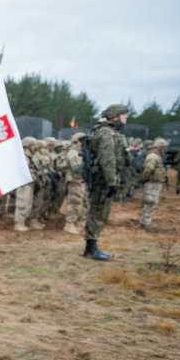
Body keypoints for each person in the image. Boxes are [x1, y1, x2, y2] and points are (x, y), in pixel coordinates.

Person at [85, 104, 128, 260]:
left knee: (100, 212)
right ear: (115, 116)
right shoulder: (106, 134)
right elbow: (107, 160)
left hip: (104, 180)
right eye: (124, 114)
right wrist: (111, 182)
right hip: (103, 181)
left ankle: (92, 247)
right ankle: (91, 249)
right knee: (98, 213)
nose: (126, 117)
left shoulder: (109, 132)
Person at [140, 138, 170, 228]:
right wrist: (145, 179)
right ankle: (145, 222)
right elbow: (148, 170)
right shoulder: (153, 157)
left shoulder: (156, 156)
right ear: (158, 147)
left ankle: (146, 222)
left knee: (152, 202)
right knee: (150, 202)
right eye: (163, 147)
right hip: (152, 183)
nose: (164, 149)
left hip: (155, 183)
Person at [63, 133, 89, 235]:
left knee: (79, 202)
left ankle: (74, 222)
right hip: (74, 180)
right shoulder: (73, 153)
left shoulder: (79, 152)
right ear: (78, 141)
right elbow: (76, 168)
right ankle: (69, 224)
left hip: (79, 180)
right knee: (74, 202)